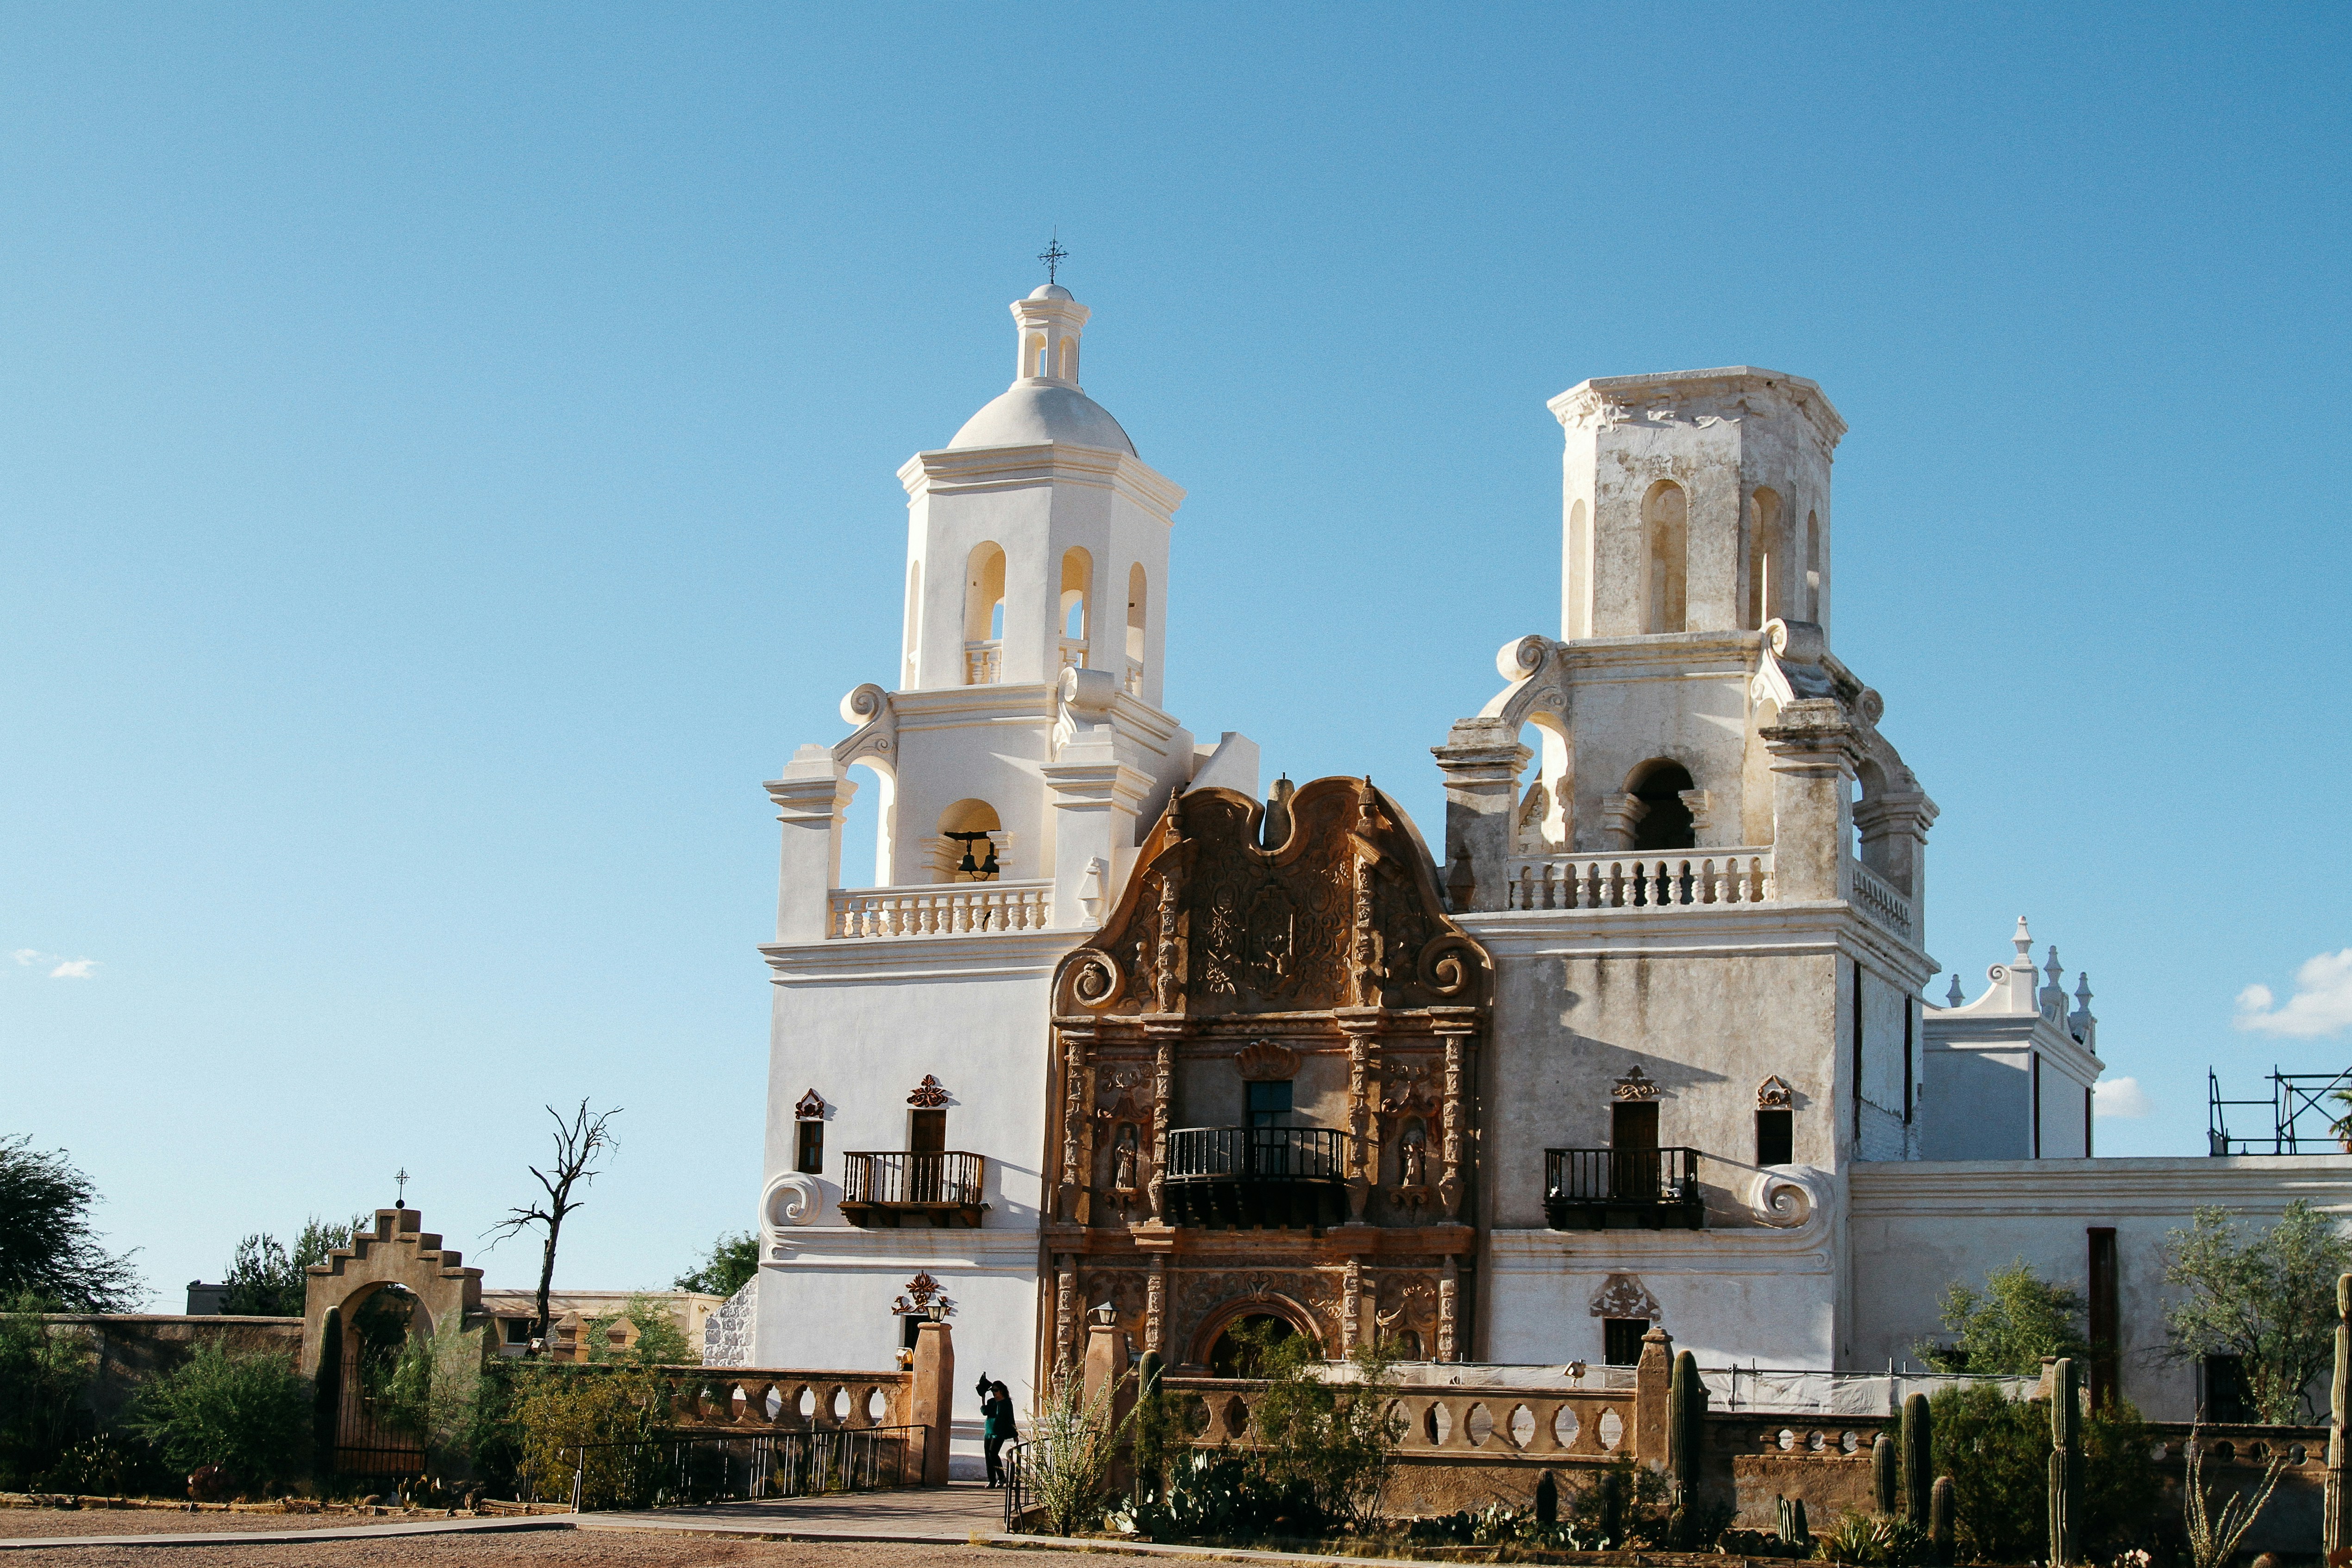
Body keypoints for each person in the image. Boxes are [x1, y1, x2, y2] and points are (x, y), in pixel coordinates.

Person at [981, 1378, 1017, 1487]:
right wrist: (983, 1399)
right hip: (989, 1430)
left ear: (1002, 1390)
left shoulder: (1007, 1403)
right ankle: (992, 1480)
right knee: (988, 1456)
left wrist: (1015, 1434)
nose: (994, 1393)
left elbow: (1011, 1418)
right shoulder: (991, 1402)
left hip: (1000, 1432)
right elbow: (985, 1412)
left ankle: (1001, 1477)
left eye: (996, 1390)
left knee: (993, 1453)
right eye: (993, 1391)